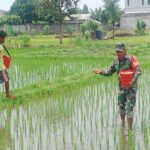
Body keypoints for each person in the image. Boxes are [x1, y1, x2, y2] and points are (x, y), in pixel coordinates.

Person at [93, 43, 141, 129]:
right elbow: (110, 71)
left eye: (120, 52)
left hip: (131, 88)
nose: (118, 53)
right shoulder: (116, 60)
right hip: (121, 88)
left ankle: (130, 130)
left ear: (124, 51)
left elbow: (138, 71)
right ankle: (123, 126)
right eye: (117, 52)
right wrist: (100, 72)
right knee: (121, 107)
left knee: (129, 108)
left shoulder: (131, 59)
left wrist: (132, 82)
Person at [0, 29, 15, 100]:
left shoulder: (1, 45)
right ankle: (8, 95)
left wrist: (6, 57)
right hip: (1, 67)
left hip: (2, 65)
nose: (5, 39)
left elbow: (2, 54)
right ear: (0, 37)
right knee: (6, 79)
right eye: (4, 37)